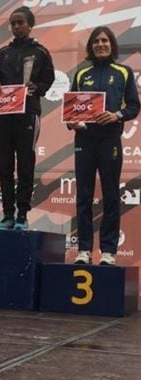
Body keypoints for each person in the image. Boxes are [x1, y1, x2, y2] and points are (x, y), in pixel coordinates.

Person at [68, 27, 140, 265]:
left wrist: (117, 115)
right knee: (84, 196)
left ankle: (108, 251)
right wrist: (72, 123)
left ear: (111, 44)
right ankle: (84, 250)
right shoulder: (81, 74)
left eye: (104, 40)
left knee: (110, 195)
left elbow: (133, 106)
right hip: (84, 140)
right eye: (96, 41)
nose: (100, 44)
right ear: (91, 46)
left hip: (109, 141)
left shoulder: (123, 72)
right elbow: (71, 112)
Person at [0, 6, 54, 230]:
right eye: (13, 23)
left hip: (28, 113)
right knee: (3, 166)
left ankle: (22, 216)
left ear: (30, 25)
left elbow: (48, 79)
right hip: (4, 114)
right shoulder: (2, 53)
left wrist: (39, 87)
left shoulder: (40, 52)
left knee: (25, 165)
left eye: (20, 23)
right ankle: (7, 214)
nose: (16, 27)